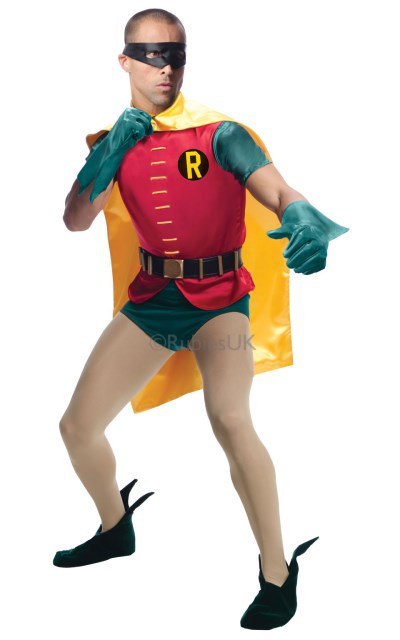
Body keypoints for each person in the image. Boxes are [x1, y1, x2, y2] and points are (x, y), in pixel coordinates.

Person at [54, 7, 349, 631]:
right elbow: (76, 220)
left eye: (175, 55)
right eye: (150, 54)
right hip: (152, 302)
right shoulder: (111, 140)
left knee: (230, 418)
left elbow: (276, 187)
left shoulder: (221, 133)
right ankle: (115, 527)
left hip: (220, 300)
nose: (164, 68)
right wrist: (108, 154)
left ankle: (278, 571)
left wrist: (299, 211)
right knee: (77, 428)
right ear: (124, 60)